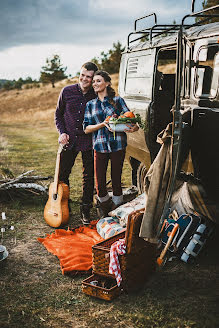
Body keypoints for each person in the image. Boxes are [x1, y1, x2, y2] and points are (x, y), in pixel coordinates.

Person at [83, 70, 139, 218]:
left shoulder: (118, 101)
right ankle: (105, 205)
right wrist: (102, 124)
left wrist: (134, 127)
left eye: (98, 81)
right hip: (99, 146)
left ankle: (117, 208)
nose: (95, 84)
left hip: (117, 145)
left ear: (107, 83)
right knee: (100, 184)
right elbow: (86, 128)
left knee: (116, 179)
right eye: (93, 81)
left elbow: (130, 119)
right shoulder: (91, 105)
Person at [55, 62, 98, 225]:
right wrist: (62, 132)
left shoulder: (96, 94)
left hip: (88, 140)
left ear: (93, 78)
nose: (85, 79)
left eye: (89, 76)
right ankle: (63, 206)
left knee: (88, 177)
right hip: (69, 140)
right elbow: (58, 114)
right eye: (83, 75)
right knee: (62, 175)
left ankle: (85, 209)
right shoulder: (67, 91)